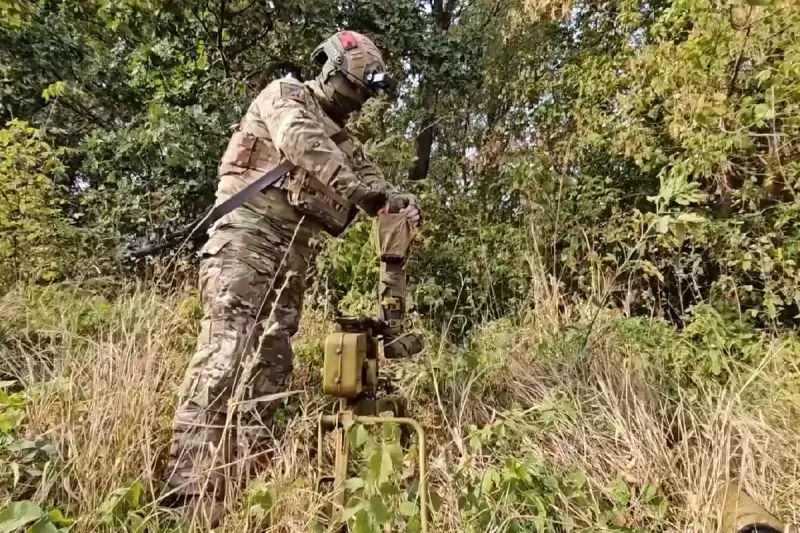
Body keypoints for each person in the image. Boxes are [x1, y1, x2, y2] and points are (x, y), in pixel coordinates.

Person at [163, 31, 421, 524]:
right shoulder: (287, 95)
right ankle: (190, 496)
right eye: (354, 86)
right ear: (329, 71)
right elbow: (303, 144)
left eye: (364, 92)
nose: (358, 99)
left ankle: (247, 480)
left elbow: (375, 185)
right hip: (245, 242)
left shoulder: (344, 137)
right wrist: (363, 194)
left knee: (271, 364)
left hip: (289, 261)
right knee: (225, 358)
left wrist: (398, 204)